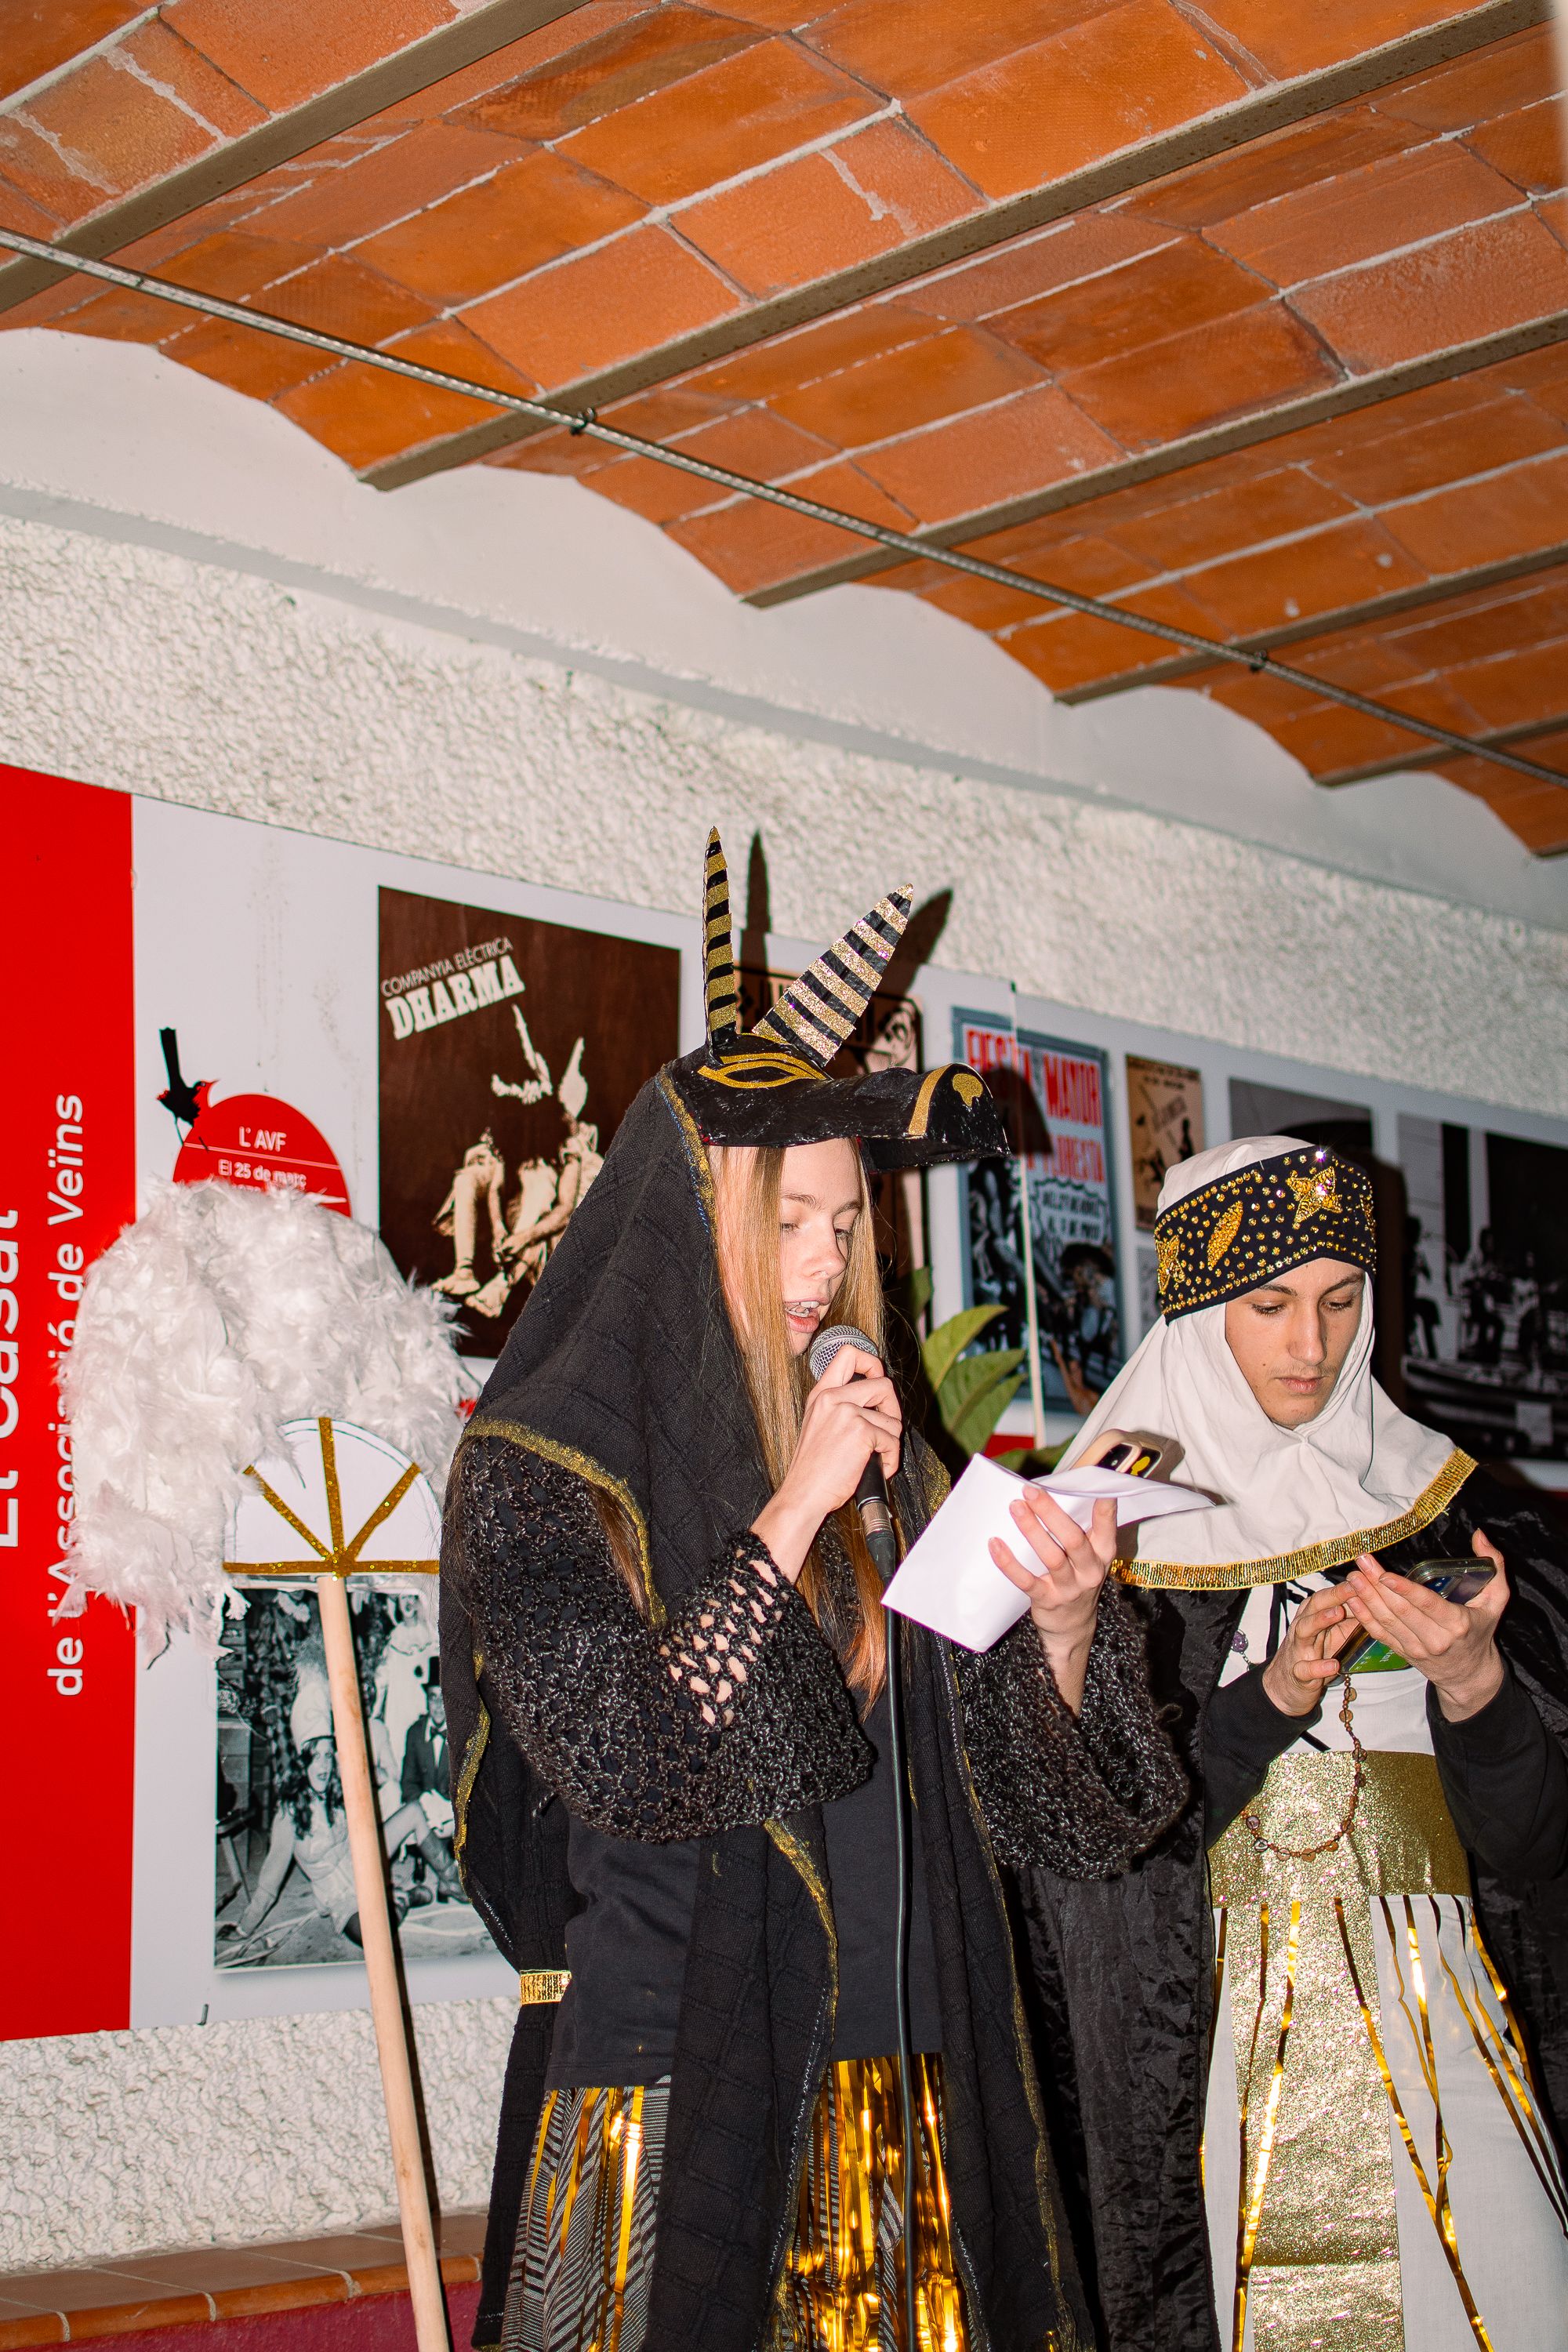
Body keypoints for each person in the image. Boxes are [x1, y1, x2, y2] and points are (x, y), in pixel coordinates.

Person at [441, 833, 1188, 2352]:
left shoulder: (877, 1462)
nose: (825, 1260)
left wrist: (1055, 1629)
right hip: (668, 2103)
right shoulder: (544, 1475)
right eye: (787, 1219)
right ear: (683, 1207)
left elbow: (1040, 1819)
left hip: (891, 2109)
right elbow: (630, 1755)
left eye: (846, 1225)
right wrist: (787, 1515)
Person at [1043, 1135, 1568, 2352]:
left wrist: (1474, 1680)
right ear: (1193, 1315)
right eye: (1268, 1305)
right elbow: (1088, 1871)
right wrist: (1270, 1697)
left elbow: (1537, 1857)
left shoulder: (1465, 1515)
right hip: (1212, 2050)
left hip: (1448, 2025)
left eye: (1342, 1302)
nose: (1312, 1345)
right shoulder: (1099, 1557)